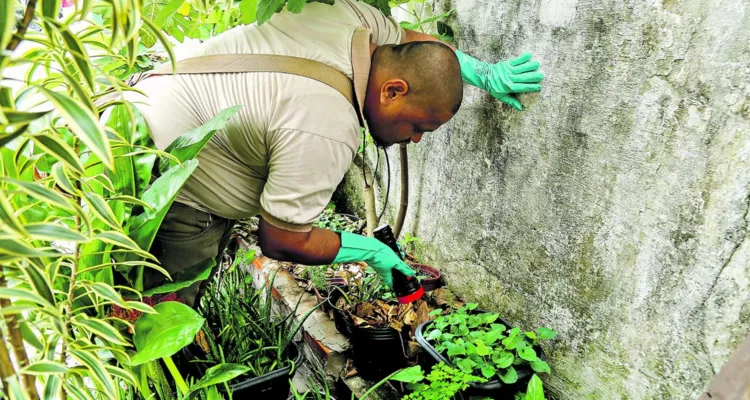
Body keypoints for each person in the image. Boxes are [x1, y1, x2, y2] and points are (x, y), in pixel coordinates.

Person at [129, 0, 544, 305]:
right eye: (419, 126)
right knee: (161, 320)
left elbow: (415, 47)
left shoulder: (355, 19)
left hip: (142, 102)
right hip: (165, 176)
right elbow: (283, 240)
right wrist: (373, 252)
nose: (416, 139)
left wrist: (480, 72)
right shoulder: (326, 125)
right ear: (392, 90)